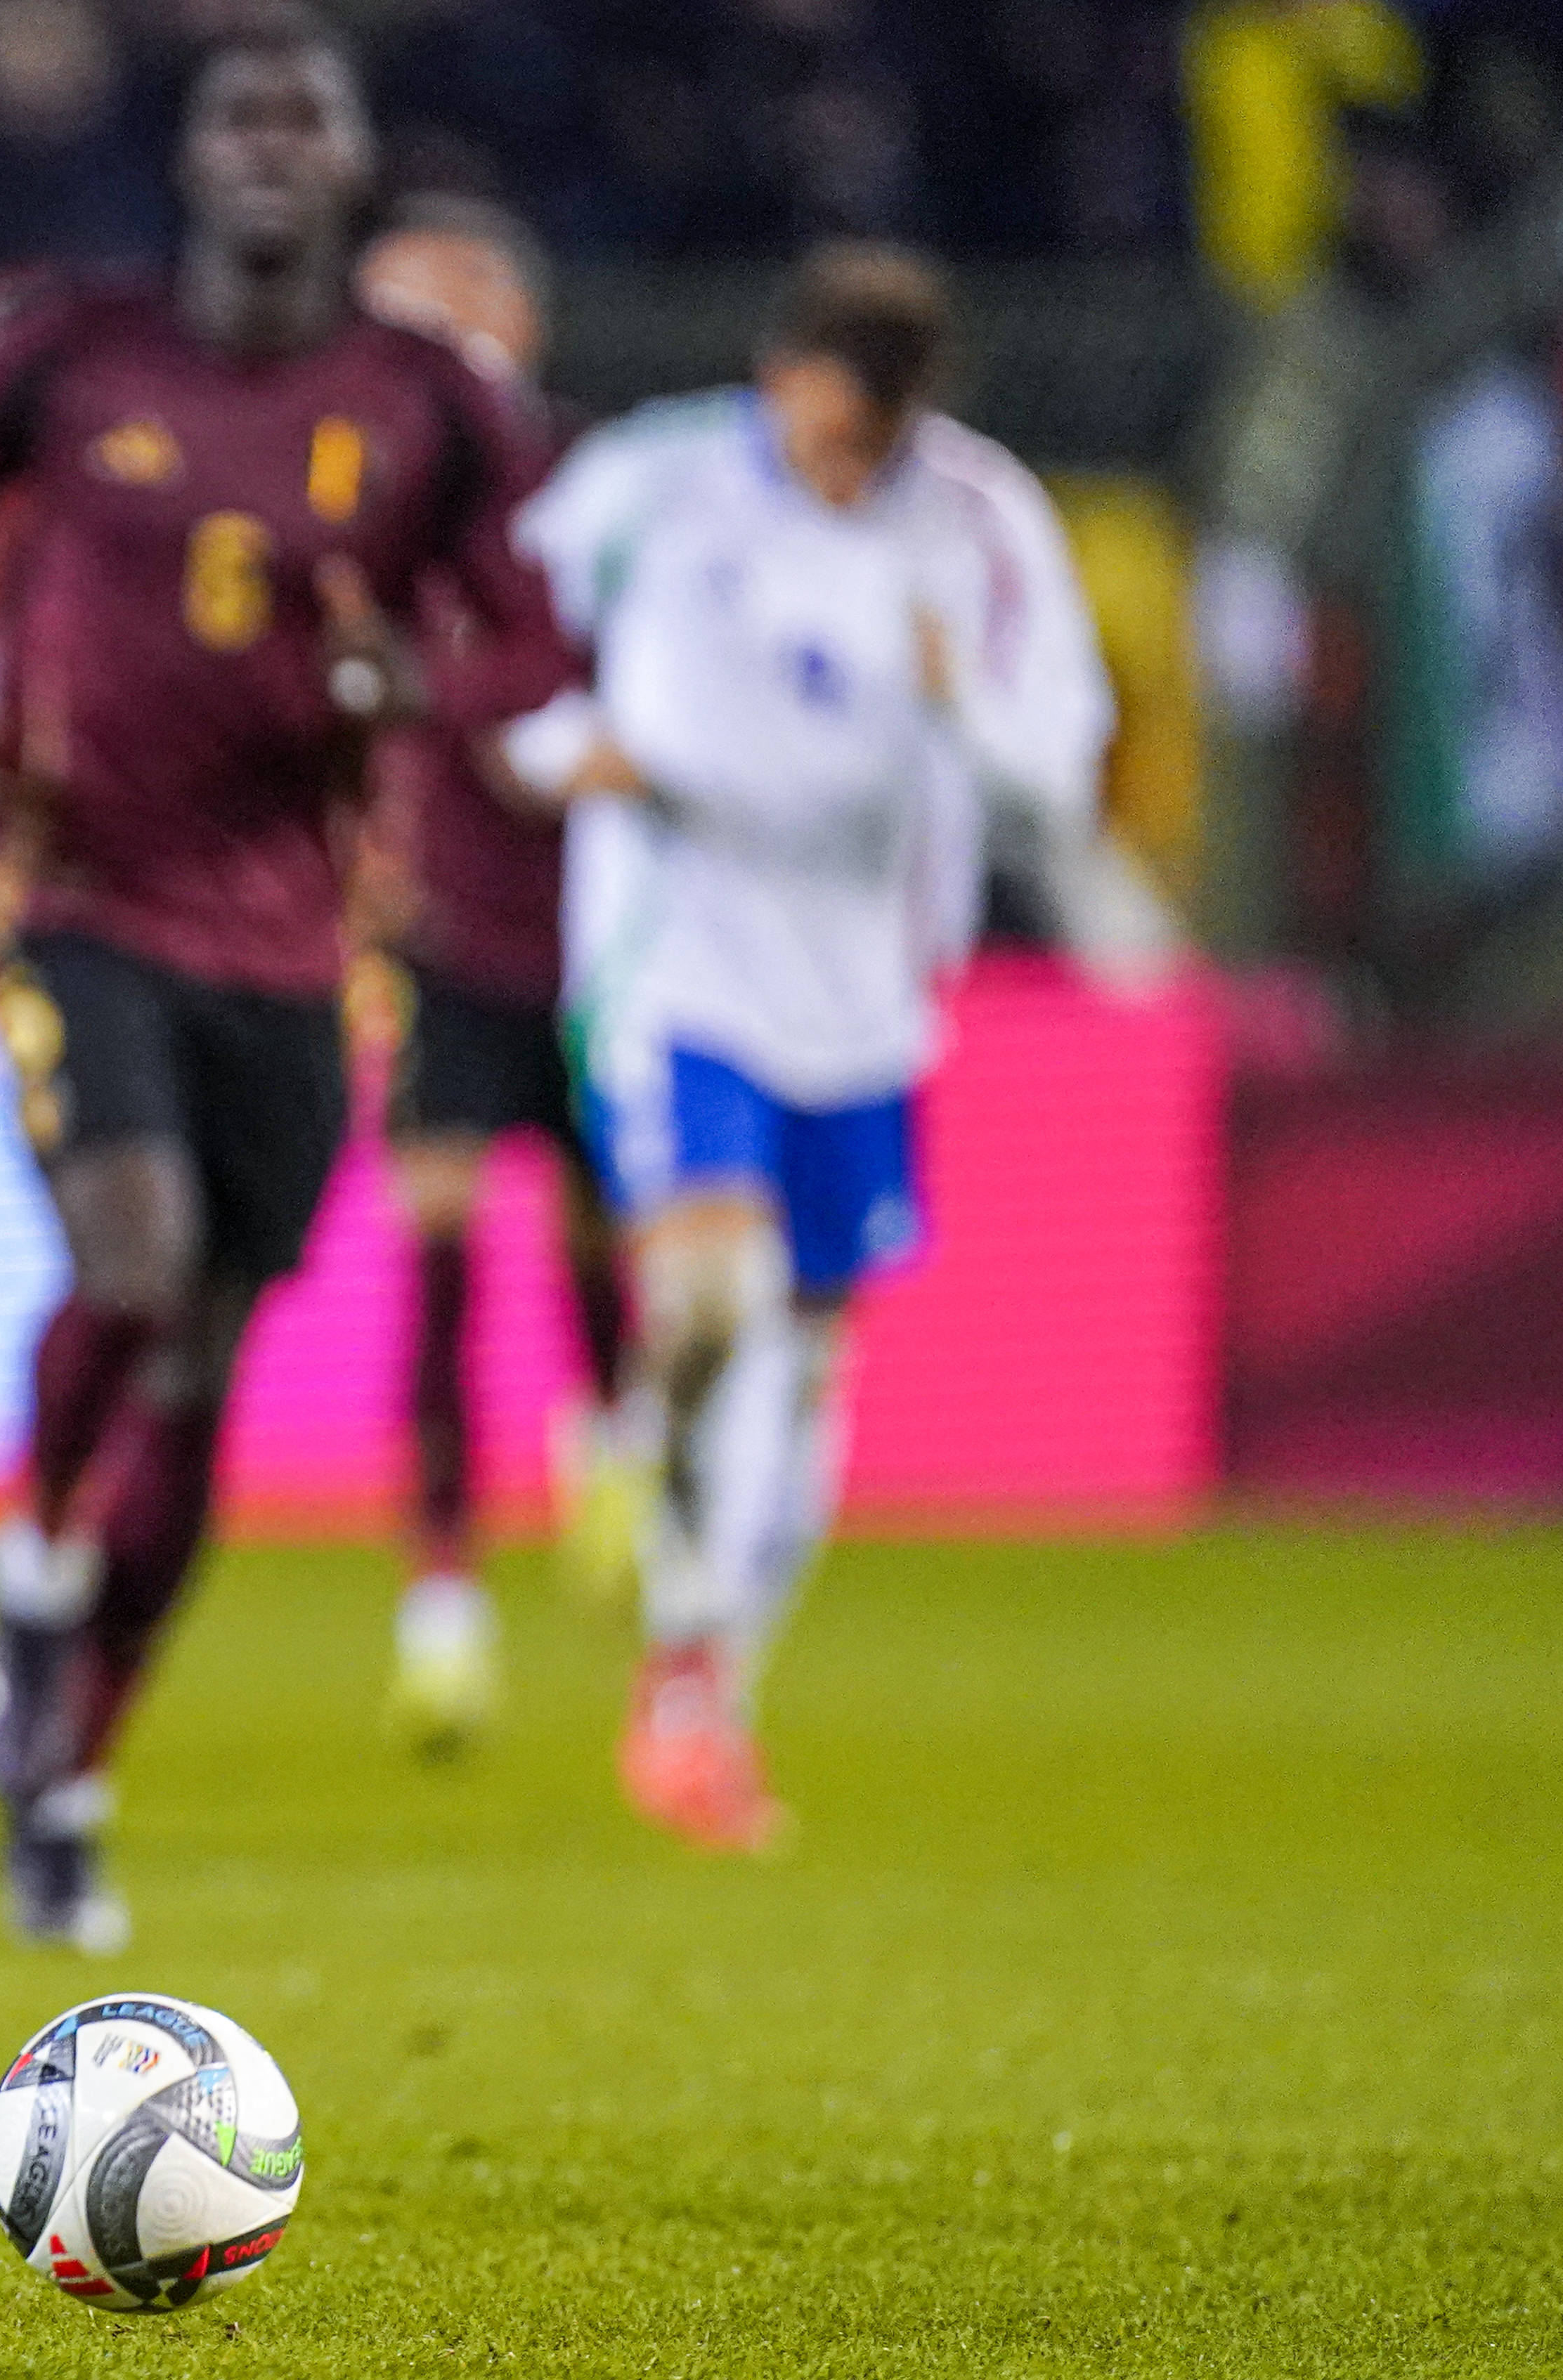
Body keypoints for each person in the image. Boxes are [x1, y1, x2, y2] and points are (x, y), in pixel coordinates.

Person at [0, 18, 573, 1950]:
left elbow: (524, 644)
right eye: (239, 117)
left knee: (200, 1363)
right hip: (80, 894)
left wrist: (417, 688)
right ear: (194, 161)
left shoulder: (427, 403)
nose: (271, 148)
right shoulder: (70, 349)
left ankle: (74, 1776)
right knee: (130, 1259)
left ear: (349, 169)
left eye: (306, 120)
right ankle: (29, 1573)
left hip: (302, 943)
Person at [505, 244, 1113, 1852]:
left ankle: (700, 1683)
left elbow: (1060, 767)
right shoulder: (654, 480)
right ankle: (654, 1462)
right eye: (834, 434)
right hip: (679, 954)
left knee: (811, 1359)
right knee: (715, 1298)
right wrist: (568, 750)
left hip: (867, 991)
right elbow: (493, 644)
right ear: (779, 380)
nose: (853, 471)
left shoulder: (978, 523)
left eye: (880, 447)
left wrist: (960, 702)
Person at [348, 197, 637, 1756]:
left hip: (602, 928)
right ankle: (442, 1604)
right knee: (440, 1255)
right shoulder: (370, 496)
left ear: (508, 330)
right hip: (450, 930)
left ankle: (611, 1437)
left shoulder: (599, 483)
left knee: (603, 1243)